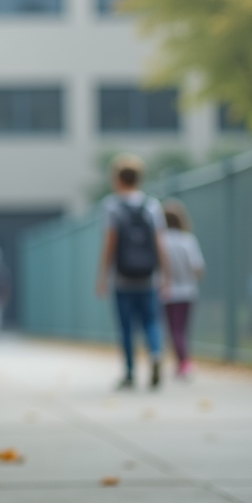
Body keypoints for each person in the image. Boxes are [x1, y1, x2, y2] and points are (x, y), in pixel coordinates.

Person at [96, 154, 168, 389]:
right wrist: (165, 273)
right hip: (148, 276)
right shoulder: (152, 205)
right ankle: (155, 353)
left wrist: (102, 276)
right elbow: (159, 243)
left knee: (126, 326)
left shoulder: (112, 206)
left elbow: (109, 244)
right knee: (151, 320)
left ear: (118, 179)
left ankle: (129, 372)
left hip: (122, 277)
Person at [160, 200, 205, 380]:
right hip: (188, 292)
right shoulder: (188, 240)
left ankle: (183, 362)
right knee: (183, 329)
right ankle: (183, 362)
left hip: (168, 293)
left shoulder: (161, 240)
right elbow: (198, 267)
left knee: (174, 330)